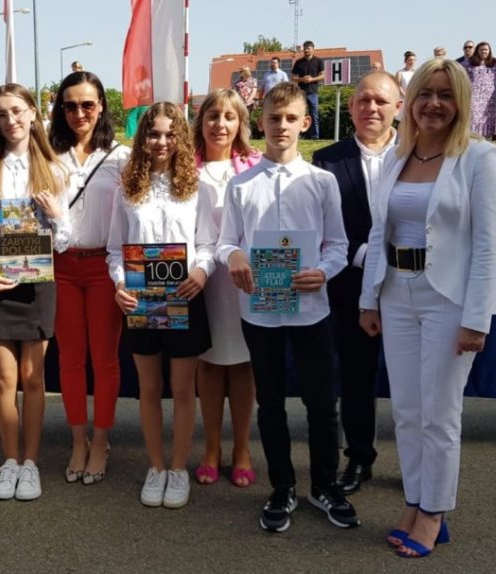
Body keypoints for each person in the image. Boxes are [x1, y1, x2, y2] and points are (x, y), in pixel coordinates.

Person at [359, 58, 496, 558]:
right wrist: (369, 299)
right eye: (425, 93)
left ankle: (434, 512)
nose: (434, 104)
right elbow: (380, 231)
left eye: (445, 95)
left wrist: (476, 318)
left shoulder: (478, 158)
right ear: (411, 100)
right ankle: (415, 500)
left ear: (460, 102)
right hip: (396, 292)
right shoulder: (396, 158)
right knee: (407, 411)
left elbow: (488, 246)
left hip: (449, 299)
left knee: (439, 414)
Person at [217, 82, 354, 533]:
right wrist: (234, 256)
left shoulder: (321, 181)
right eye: (274, 118)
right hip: (260, 311)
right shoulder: (240, 184)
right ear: (261, 122)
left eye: (291, 118)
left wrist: (325, 271)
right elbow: (225, 241)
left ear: (305, 123)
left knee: (321, 402)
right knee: (270, 403)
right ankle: (282, 487)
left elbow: (338, 244)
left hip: (311, 308)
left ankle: (325, 485)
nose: (282, 126)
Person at [0, 83, 71, 501]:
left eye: (18, 111)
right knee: (5, 380)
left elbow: (65, 242)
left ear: (34, 114)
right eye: (2, 114)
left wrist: (56, 216)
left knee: (34, 379)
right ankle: (9, 462)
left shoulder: (54, 169)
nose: (11, 121)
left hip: (38, 285)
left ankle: (31, 463)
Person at [107, 101, 217, 509]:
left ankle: (178, 468)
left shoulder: (198, 187)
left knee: (184, 389)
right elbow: (115, 250)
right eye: (154, 134)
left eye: (171, 134)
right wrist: (120, 284)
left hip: (185, 296)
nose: (162, 141)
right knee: (149, 389)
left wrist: (202, 271)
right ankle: (156, 467)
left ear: (182, 139)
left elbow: (208, 244)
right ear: (142, 139)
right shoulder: (126, 189)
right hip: (141, 299)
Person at [312, 71, 401, 495]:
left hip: (412, 283)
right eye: (364, 100)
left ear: (398, 107)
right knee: (356, 375)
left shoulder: (421, 155)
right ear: (350, 107)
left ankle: (421, 466)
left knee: (414, 382)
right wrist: (365, 256)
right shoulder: (326, 161)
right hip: (349, 284)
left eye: (381, 101)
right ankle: (359, 458)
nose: (372, 108)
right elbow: (321, 229)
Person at [48, 71, 130, 485]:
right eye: (70, 105)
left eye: (87, 104)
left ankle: (101, 440)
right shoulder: (48, 155)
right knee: (70, 359)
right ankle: (78, 439)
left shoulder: (122, 157)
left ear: (101, 107)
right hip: (60, 266)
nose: (79, 113)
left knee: (105, 359)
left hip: (104, 267)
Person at [191, 89, 262, 488]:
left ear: (240, 123)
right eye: (213, 115)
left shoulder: (255, 166)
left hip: (241, 278)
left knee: (243, 363)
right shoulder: (184, 167)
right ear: (201, 121)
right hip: (201, 278)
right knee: (208, 362)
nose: (220, 124)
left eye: (229, 116)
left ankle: (242, 449)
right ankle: (212, 448)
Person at [462, 42, 496, 139]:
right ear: (477, 51)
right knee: (474, 115)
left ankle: (486, 136)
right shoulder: (470, 62)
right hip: (475, 94)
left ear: (489, 51)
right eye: (481, 49)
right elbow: (460, 71)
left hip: (490, 95)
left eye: (486, 49)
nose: (484, 51)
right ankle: (474, 135)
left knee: (488, 115)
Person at [291, 41, 325, 139]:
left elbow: (322, 76)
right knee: (299, 114)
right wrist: (302, 79)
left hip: (313, 92)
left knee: (314, 115)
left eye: (308, 48)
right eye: (305, 48)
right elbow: (293, 77)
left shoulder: (318, 61)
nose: (306, 50)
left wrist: (312, 79)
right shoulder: (298, 62)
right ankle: (299, 135)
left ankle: (315, 136)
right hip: (301, 93)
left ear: (313, 49)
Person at [395, 51, 416, 122]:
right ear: (405, 61)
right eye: (410, 60)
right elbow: (397, 85)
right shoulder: (400, 73)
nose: (412, 62)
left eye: (413, 60)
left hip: (414, 98)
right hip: (404, 98)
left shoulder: (416, 72)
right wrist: (405, 95)